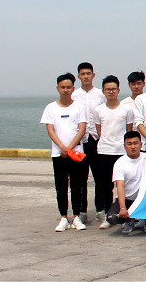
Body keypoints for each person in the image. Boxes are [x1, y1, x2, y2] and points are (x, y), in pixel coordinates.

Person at [42, 72, 88, 232]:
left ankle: (76, 217)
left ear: (73, 88)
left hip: (76, 153)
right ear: (58, 88)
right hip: (58, 154)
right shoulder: (51, 108)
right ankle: (63, 217)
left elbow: (82, 129)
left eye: (68, 87)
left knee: (77, 186)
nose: (66, 90)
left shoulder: (79, 107)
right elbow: (50, 130)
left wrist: (69, 148)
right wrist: (62, 148)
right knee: (61, 187)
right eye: (63, 87)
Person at [93, 75, 134, 229]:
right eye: (108, 89)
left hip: (121, 152)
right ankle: (108, 215)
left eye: (114, 89)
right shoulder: (98, 110)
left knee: (125, 185)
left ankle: (127, 215)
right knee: (105, 186)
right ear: (103, 91)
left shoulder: (126, 109)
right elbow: (99, 131)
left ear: (118, 90)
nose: (111, 92)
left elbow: (128, 130)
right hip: (104, 151)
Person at [72, 62, 105, 219]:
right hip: (80, 141)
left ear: (93, 75)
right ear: (78, 76)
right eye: (83, 74)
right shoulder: (74, 95)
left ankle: (100, 209)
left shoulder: (100, 95)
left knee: (100, 177)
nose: (86, 76)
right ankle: (82, 211)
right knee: (80, 178)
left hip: (96, 139)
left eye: (88, 73)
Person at [109, 131, 146, 235]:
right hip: (128, 200)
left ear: (141, 144)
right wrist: (122, 208)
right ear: (124, 146)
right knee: (112, 218)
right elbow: (120, 186)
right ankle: (129, 220)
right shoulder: (120, 163)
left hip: (145, 199)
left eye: (135, 143)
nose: (133, 147)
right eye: (129, 144)